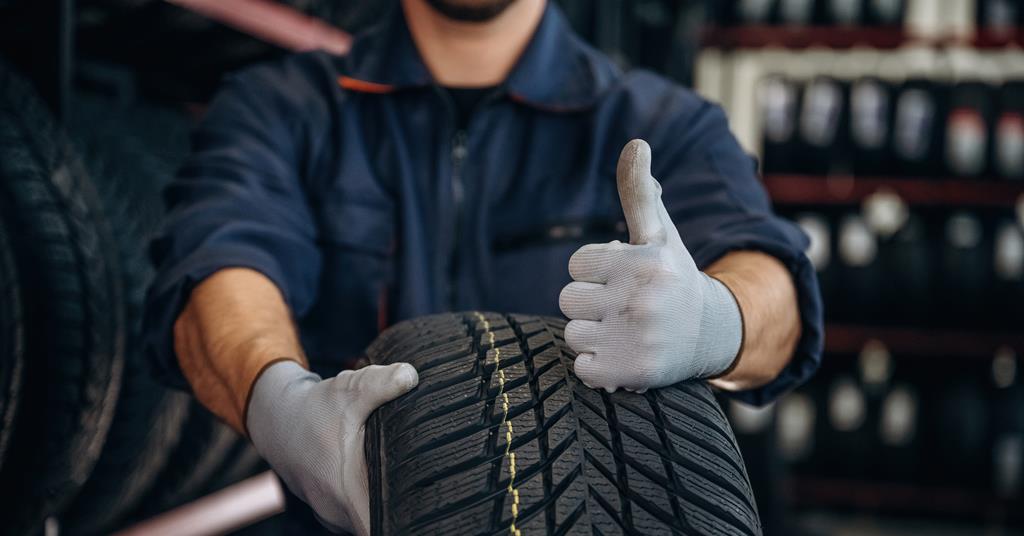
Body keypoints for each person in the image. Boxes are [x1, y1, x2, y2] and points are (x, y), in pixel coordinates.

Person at [144, 0, 824, 533]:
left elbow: (776, 288)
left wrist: (717, 318)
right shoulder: (281, 108)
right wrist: (274, 400)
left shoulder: (663, 121)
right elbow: (220, 259)